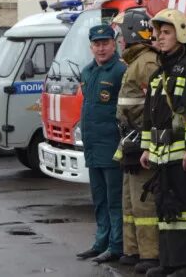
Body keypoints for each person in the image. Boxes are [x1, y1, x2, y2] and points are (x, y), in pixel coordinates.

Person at [139, 8, 186, 277]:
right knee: (164, 204)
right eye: (158, 33)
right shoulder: (158, 73)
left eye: (166, 32)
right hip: (160, 153)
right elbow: (149, 114)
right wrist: (145, 148)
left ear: (181, 34)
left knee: (185, 208)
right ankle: (168, 261)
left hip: (180, 153)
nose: (160, 37)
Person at [112, 9, 161, 274]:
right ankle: (134, 249)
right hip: (130, 140)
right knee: (130, 202)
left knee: (145, 201)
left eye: (120, 34)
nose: (118, 39)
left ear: (131, 33)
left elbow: (157, 108)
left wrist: (146, 141)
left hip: (141, 140)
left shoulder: (147, 62)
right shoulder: (136, 61)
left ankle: (151, 254)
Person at [75, 24, 127, 264]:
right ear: (91, 46)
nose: (101, 48)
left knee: (114, 199)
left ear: (114, 43)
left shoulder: (120, 70)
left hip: (112, 146)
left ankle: (116, 245)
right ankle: (100, 242)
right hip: (93, 146)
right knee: (99, 198)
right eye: (97, 44)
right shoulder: (87, 72)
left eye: (105, 42)